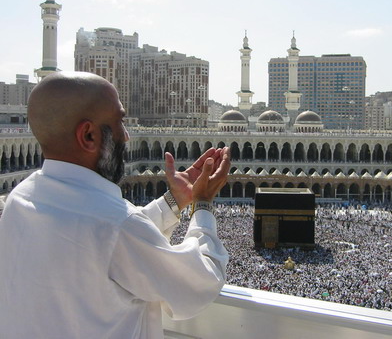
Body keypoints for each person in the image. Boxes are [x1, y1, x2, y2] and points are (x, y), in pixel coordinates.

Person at [0, 71, 230, 339]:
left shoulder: (20, 199)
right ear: (88, 136)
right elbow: (199, 283)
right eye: (120, 122)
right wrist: (202, 204)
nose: (127, 136)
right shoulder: (116, 227)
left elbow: (97, 244)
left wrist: (174, 201)